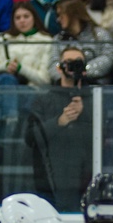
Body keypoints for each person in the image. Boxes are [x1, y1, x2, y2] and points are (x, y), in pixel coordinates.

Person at [25, 45, 92, 211]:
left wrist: (86, 113)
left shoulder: (95, 99)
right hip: (51, 179)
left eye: (78, 63)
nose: (73, 66)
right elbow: (30, 137)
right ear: (59, 67)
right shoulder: (44, 99)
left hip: (86, 177)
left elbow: (104, 135)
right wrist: (59, 122)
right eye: (68, 62)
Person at [0, 0, 52, 128]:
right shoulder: (2, 39)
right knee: (6, 79)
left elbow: (45, 79)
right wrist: (6, 66)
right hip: (3, 89)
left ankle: (8, 123)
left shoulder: (46, 40)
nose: (22, 21)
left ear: (34, 17)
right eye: (17, 17)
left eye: (26, 16)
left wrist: (21, 69)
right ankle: (11, 120)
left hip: (32, 92)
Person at [47, 0, 113, 84]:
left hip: (95, 86)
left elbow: (108, 57)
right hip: (66, 87)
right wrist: (65, 75)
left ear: (73, 13)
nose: (58, 19)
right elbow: (53, 63)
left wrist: (83, 70)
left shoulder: (100, 35)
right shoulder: (58, 39)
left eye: (61, 15)